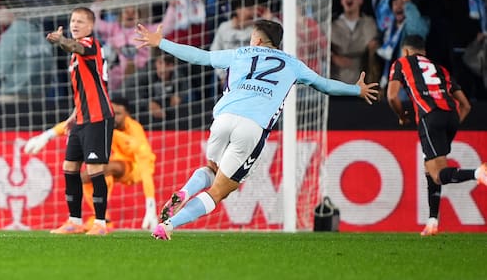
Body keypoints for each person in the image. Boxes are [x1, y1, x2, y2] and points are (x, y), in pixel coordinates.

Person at [134, 19, 379, 240]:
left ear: (259, 40)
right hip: (252, 126)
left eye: (252, 36)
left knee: (211, 168)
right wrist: (356, 89)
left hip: (223, 117)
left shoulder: (240, 53)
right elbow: (324, 85)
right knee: (220, 191)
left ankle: (185, 191)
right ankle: (168, 225)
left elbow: (200, 56)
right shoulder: (294, 64)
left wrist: (161, 42)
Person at [24, 7, 114, 236]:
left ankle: (100, 224)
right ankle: (74, 221)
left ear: (91, 26)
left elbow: (75, 46)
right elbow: (85, 89)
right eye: (73, 20)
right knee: (69, 167)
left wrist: (61, 40)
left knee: (94, 169)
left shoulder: (90, 45)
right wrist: (74, 115)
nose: (75, 24)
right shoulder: (75, 55)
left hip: (98, 117)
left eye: (80, 21)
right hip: (81, 118)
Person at [386, 34, 487, 236]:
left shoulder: (402, 63)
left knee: (438, 174)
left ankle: (478, 173)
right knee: (429, 165)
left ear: (406, 51)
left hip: (429, 116)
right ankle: (432, 222)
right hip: (451, 115)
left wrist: (402, 116)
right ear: (424, 52)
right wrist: (451, 124)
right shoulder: (440, 69)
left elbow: (391, 96)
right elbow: (466, 105)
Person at [25, 96, 157, 231]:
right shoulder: (108, 124)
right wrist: (46, 136)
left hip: (137, 168)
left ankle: (101, 219)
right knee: (86, 177)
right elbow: (74, 124)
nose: (114, 117)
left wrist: (151, 206)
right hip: (117, 162)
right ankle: (101, 218)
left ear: (127, 115)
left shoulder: (135, 132)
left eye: (118, 114)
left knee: (103, 168)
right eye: (112, 113)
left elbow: (146, 169)